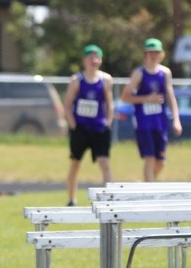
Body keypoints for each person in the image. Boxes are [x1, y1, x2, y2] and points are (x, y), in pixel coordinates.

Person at [121, 37, 182, 182]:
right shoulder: (139, 73)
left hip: (159, 122)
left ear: (162, 54)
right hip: (143, 123)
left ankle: (147, 184)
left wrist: (176, 120)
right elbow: (125, 97)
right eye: (150, 52)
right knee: (149, 158)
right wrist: (146, 99)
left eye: (156, 52)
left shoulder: (165, 73)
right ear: (145, 54)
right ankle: (148, 191)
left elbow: (171, 97)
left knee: (161, 161)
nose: (153, 55)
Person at [63, 44, 114, 205]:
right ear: (84, 60)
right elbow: (67, 104)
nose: (94, 61)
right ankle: (71, 198)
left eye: (96, 57)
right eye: (90, 57)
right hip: (81, 128)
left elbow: (109, 103)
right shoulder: (77, 80)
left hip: (99, 127)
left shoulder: (105, 80)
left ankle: (109, 199)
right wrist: (73, 125)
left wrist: (108, 122)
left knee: (104, 162)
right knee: (75, 163)